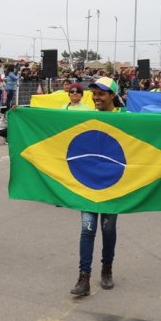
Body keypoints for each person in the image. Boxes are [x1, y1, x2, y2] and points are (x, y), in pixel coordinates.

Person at [70, 76, 123, 296]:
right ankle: (84, 278)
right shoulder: (87, 117)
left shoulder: (127, 118)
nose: (96, 98)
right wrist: (21, 113)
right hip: (89, 184)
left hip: (115, 185)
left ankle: (107, 268)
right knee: (87, 229)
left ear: (112, 95)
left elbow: (157, 128)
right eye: (94, 93)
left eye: (101, 93)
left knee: (108, 229)